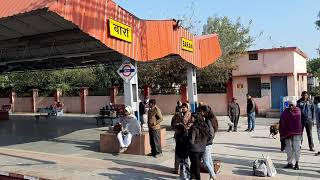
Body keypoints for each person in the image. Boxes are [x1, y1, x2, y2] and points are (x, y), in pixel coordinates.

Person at [279, 101, 303, 170]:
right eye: (290, 105)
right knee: (289, 149)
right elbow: (282, 120)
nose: (291, 107)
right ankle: (289, 163)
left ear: (295, 105)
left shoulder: (298, 110)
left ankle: (297, 163)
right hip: (287, 133)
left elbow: (301, 120)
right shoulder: (285, 112)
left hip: (297, 133)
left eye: (292, 105)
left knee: (296, 149)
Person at [171, 103, 193, 174]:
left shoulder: (191, 114)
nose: (183, 108)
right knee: (177, 153)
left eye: (184, 107)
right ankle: (176, 169)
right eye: (182, 107)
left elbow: (192, 123)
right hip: (178, 135)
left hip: (186, 136)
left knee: (185, 154)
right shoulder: (178, 114)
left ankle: (185, 170)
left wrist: (185, 126)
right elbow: (173, 123)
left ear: (187, 108)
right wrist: (176, 123)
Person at [198, 105, 218, 180]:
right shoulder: (211, 118)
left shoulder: (208, 120)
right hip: (209, 142)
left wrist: (206, 140)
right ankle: (211, 177)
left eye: (201, 111)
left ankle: (213, 176)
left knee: (206, 161)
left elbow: (211, 133)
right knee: (209, 160)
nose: (200, 113)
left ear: (204, 112)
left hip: (207, 143)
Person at [189, 113, 210, 180]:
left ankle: (197, 178)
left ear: (195, 118)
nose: (190, 118)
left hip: (194, 150)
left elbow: (192, 140)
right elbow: (209, 137)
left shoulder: (194, 128)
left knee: (196, 167)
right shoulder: (205, 126)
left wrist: (186, 137)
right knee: (194, 164)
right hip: (202, 149)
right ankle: (192, 177)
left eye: (191, 117)